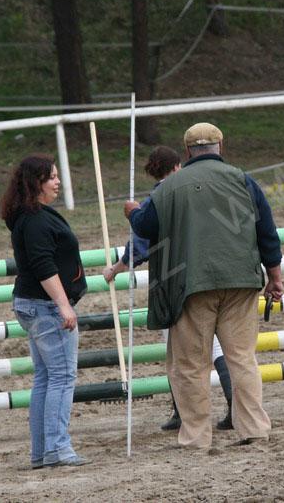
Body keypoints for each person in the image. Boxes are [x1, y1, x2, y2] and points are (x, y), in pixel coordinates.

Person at [125, 122, 284, 449]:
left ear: (187, 151)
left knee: (190, 366)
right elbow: (267, 231)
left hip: (190, 286)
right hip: (240, 281)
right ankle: (254, 428)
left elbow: (145, 226)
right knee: (242, 359)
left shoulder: (169, 186)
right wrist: (275, 277)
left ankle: (196, 436)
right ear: (220, 146)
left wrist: (132, 212)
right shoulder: (244, 180)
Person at [103, 146, 235, 432]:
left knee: (178, 349)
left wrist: (115, 268)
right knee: (217, 344)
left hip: (173, 283)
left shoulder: (155, 201)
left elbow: (139, 246)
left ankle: (183, 412)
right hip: (214, 275)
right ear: (177, 166)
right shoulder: (199, 192)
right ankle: (233, 402)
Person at [0, 154, 90, 468]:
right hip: (45, 306)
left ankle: (41, 451)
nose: (58, 182)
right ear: (36, 182)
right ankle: (57, 449)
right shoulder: (36, 220)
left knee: (45, 377)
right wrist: (64, 305)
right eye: (52, 177)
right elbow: (43, 266)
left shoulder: (29, 215)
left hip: (32, 304)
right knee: (62, 377)